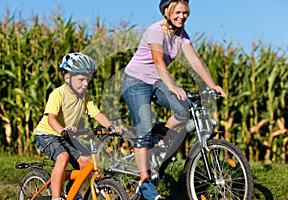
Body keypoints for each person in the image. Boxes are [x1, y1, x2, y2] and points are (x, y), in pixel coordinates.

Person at [122, 0, 226, 199]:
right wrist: (172, 86)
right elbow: (158, 61)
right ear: (167, 11)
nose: (182, 16)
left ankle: (159, 147)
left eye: (185, 12)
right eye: (178, 12)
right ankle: (144, 182)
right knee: (143, 128)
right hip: (136, 81)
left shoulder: (181, 35)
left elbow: (195, 61)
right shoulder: (155, 31)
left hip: (156, 80)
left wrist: (212, 85)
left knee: (184, 109)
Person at [35, 52, 122, 200]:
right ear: (67, 78)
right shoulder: (58, 94)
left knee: (87, 163)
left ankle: (70, 193)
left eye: (87, 79)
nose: (85, 84)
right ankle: (56, 197)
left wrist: (110, 126)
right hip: (48, 134)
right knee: (62, 158)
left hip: (67, 135)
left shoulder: (84, 96)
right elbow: (51, 119)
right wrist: (62, 130)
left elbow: (96, 113)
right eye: (81, 79)